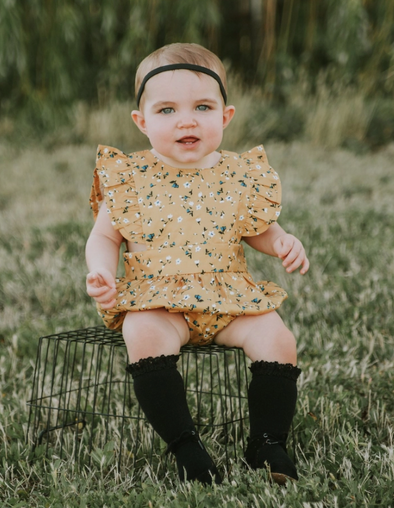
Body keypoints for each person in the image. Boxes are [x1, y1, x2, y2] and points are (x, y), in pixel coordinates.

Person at [86, 42, 309, 486]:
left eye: (202, 106)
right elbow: (105, 235)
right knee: (142, 331)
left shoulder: (239, 174)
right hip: (160, 301)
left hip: (230, 298)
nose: (186, 120)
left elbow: (258, 228)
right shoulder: (130, 177)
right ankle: (186, 447)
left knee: (278, 338)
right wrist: (103, 272)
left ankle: (268, 443)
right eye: (167, 110)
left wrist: (283, 241)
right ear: (142, 121)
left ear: (225, 117)